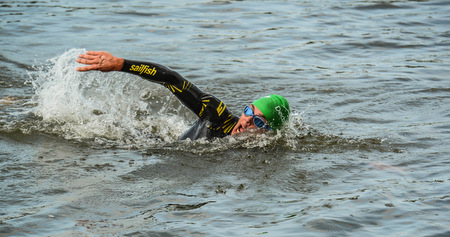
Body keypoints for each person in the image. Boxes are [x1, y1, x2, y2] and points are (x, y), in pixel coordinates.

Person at [76, 51, 290, 140]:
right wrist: (121, 64)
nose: (245, 122)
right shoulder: (217, 115)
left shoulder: (265, 149)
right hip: (157, 146)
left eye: (258, 122)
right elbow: (172, 80)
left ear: (269, 132)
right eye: (248, 112)